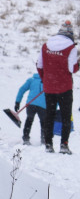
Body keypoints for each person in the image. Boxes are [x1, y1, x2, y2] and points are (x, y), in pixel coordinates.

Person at [37, 21, 78, 154]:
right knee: (66, 116)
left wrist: (45, 80)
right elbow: (72, 68)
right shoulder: (71, 47)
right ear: (70, 35)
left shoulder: (45, 46)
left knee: (50, 115)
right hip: (65, 88)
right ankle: (64, 145)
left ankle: (48, 144)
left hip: (49, 87)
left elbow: (39, 65)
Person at [15, 72, 46, 145]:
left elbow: (22, 89)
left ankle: (26, 138)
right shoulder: (48, 81)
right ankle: (44, 140)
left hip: (31, 104)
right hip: (43, 106)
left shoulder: (32, 80)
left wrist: (17, 102)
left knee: (29, 120)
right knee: (44, 122)